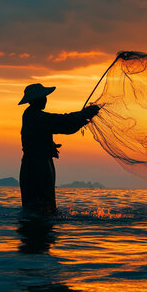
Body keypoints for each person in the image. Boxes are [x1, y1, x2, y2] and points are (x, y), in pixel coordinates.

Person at [18, 83, 99, 215]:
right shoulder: (35, 116)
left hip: (39, 164)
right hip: (36, 168)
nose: (45, 99)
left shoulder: (32, 116)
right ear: (35, 100)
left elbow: (65, 127)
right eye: (42, 97)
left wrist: (82, 119)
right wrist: (83, 114)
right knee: (41, 210)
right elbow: (61, 121)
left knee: (42, 209)